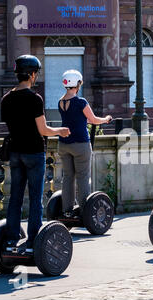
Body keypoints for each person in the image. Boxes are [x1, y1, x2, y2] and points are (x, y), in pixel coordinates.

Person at [1, 55, 70, 253]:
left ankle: (11, 241)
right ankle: (32, 242)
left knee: (15, 197)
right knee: (35, 199)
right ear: (31, 74)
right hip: (33, 153)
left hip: (15, 153)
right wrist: (59, 131)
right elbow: (43, 130)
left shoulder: (7, 99)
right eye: (36, 73)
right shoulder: (34, 98)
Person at [58, 70, 112, 217]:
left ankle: (67, 210)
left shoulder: (61, 102)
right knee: (82, 177)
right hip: (80, 144)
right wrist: (106, 119)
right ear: (78, 84)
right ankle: (84, 211)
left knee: (68, 177)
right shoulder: (81, 102)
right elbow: (93, 120)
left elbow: (78, 118)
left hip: (63, 144)